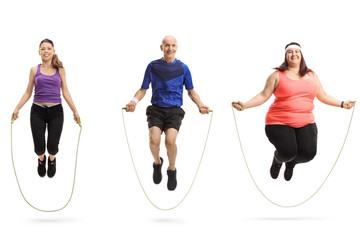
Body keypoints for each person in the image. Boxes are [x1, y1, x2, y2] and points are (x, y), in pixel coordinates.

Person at [233, 42, 355, 181]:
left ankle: (291, 164)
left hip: (305, 121)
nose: (294, 54)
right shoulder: (277, 75)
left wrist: (342, 104)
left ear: (301, 55)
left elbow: (323, 95)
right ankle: (278, 161)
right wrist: (245, 105)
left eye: (297, 51)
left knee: (308, 154)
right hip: (279, 121)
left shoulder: (311, 75)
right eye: (290, 52)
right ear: (285, 56)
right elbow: (263, 95)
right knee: (287, 152)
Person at [126, 35, 210, 191]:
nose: (170, 48)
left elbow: (191, 91)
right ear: (161, 48)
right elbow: (143, 89)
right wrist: (133, 101)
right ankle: (157, 163)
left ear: (177, 47)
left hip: (174, 111)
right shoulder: (152, 66)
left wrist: (200, 104)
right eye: (166, 45)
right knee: (154, 140)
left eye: (173, 45)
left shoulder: (183, 68)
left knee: (170, 141)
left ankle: (171, 170)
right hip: (156, 109)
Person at [12, 39, 81, 178]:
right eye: (43, 49)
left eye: (49, 48)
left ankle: (51, 160)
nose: (46, 51)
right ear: (39, 52)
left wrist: (75, 110)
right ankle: (41, 159)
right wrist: (17, 108)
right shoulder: (33, 70)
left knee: (53, 146)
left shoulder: (60, 70)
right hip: (37, 111)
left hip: (56, 111)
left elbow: (65, 92)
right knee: (39, 146)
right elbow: (28, 92)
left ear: (53, 51)